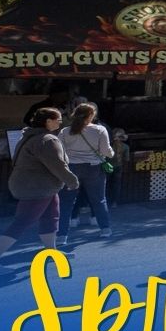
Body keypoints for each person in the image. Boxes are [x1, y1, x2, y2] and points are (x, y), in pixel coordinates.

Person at [0, 108, 79, 275]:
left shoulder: (28, 136)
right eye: (57, 119)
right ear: (48, 121)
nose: (60, 122)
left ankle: (51, 251)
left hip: (39, 186)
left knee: (51, 217)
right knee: (22, 222)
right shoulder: (47, 140)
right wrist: (72, 181)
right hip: (37, 187)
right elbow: (58, 165)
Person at [57, 102, 114, 241]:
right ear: (91, 115)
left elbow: (59, 151)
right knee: (99, 200)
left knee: (66, 202)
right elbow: (106, 151)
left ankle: (62, 235)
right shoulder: (100, 130)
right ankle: (105, 229)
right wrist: (111, 153)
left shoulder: (65, 131)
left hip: (72, 168)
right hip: (93, 168)